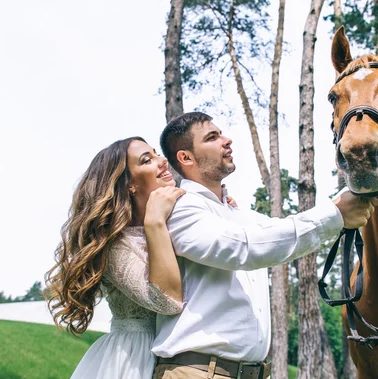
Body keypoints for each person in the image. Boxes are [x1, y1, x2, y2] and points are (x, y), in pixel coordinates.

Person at [152, 112, 378, 379]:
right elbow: (245, 248)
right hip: (198, 372)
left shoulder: (240, 215)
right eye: (212, 137)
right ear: (186, 157)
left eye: (222, 133)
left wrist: (361, 183)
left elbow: (279, 232)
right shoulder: (181, 208)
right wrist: (335, 214)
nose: (227, 140)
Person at [45, 137, 236, 378]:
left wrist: (220, 208)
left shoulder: (178, 222)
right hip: (135, 359)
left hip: (189, 356)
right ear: (128, 185)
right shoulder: (115, 245)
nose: (162, 161)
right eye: (147, 160)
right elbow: (167, 302)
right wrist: (154, 220)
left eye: (157, 154)